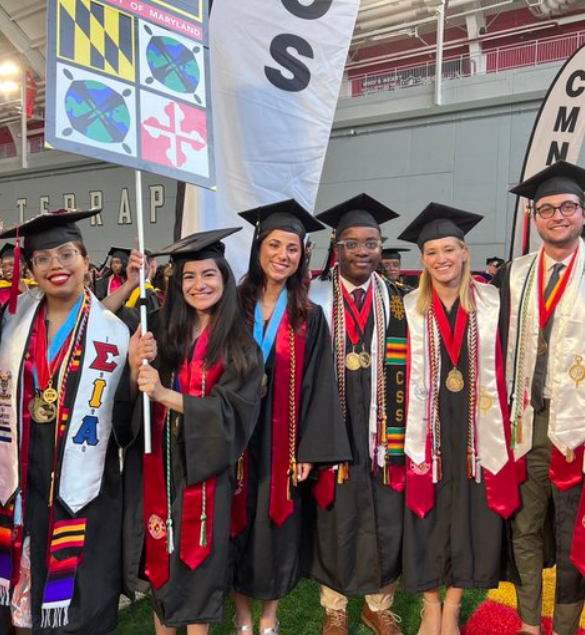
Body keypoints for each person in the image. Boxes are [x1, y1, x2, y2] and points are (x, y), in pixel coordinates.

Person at [0, 209, 139, 634]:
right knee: (19, 588)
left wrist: (135, 374)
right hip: (20, 470)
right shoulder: (12, 320)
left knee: (76, 600)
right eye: (42, 259)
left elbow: (125, 418)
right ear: (30, 270)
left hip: (81, 485)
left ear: (84, 259)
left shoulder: (117, 330)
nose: (55, 266)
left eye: (66, 254)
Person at [122, 228, 263, 635]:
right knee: (161, 553)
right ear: (176, 283)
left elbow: (233, 410)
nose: (198, 286)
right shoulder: (164, 334)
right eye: (188, 277)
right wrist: (136, 364)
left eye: (208, 276)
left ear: (224, 280)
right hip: (160, 463)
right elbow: (134, 397)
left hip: (206, 467)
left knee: (199, 564)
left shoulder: (240, 343)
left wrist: (166, 394)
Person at [397, 203, 520, 635]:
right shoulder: (408, 308)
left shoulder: (492, 302)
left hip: (474, 427)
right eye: (431, 252)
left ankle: (452, 604)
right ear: (422, 260)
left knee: (472, 509)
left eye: (449, 249)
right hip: (428, 425)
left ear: (465, 252)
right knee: (426, 510)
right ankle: (430, 603)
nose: (441, 259)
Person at [232, 200, 351, 634]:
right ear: (258, 247)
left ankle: (268, 618)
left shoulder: (308, 317)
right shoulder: (232, 307)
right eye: (275, 244)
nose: (283, 255)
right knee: (236, 523)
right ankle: (242, 617)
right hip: (234, 439)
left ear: (303, 256)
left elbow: (320, 384)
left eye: (293, 248)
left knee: (275, 530)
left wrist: (310, 449)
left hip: (285, 439)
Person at [306, 193, 407, 635]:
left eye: (371, 243)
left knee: (386, 511)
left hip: (385, 424)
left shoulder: (403, 302)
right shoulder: (315, 297)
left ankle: (378, 605)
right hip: (334, 421)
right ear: (336, 245)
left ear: (381, 248)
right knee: (336, 514)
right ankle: (335, 607)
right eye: (352, 243)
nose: (363, 251)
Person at [501, 161, 585, 635]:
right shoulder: (514, 275)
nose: (557, 216)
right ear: (535, 217)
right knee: (525, 526)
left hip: (579, 426)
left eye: (567, 207)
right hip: (524, 421)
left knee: (573, 531)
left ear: (582, 213)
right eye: (547, 209)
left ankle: (569, 626)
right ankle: (531, 623)